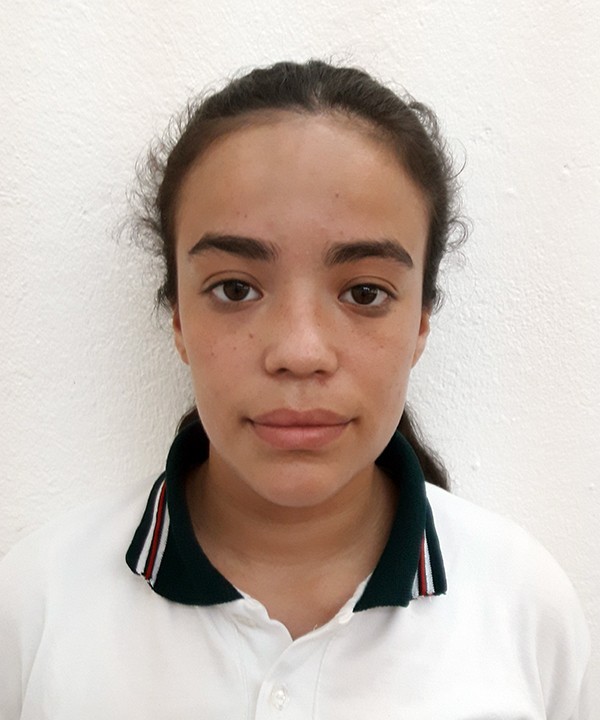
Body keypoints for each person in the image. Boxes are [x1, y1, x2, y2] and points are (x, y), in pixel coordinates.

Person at [0, 60, 590, 718]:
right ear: (179, 318)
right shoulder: (41, 604)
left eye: (364, 293)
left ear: (421, 321)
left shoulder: (523, 610)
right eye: (235, 289)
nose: (300, 352)